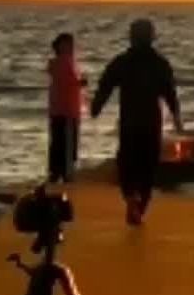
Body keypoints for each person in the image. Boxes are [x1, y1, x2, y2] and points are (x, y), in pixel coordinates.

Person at [88, 18, 185, 227]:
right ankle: (139, 207)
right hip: (151, 121)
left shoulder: (122, 61)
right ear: (152, 37)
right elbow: (170, 93)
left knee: (126, 162)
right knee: (148, 166)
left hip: (130, 121)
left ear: (131, 37)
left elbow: (106, 84)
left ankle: (130, 196)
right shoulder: (160, 63)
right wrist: (176, 117)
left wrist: (96, 106)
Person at [43, 32, 84, 188]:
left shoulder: (62, 63)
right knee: (67, 143)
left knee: (58, 142)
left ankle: (56, 171)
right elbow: (68, 82)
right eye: (69, 44)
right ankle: (65, 173)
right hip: (67, 110)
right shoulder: (64, 62)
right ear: (61, 46)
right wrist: (80, 83)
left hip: (59, 110)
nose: (73, 48)